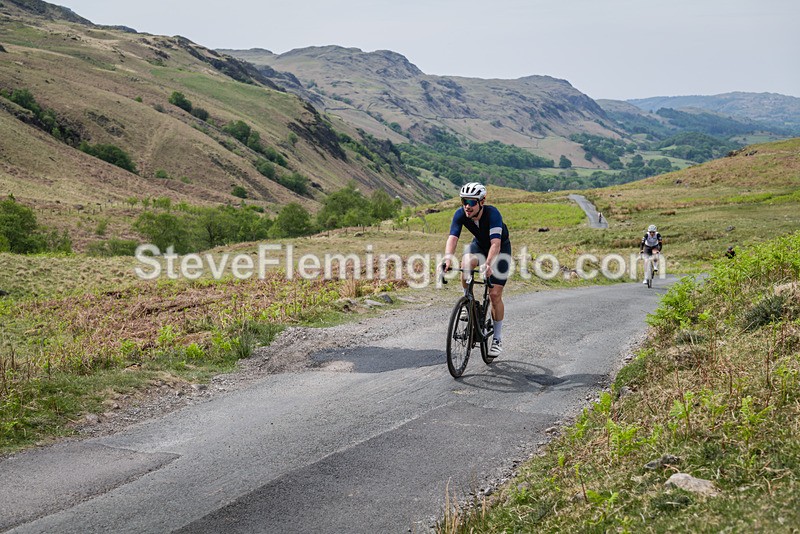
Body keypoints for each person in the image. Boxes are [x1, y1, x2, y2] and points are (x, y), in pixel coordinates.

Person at [441, 182, 511, 358]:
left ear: (482, 202)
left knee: (495, 294)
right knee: (465, 263)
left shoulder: (493, 214)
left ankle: (497, 338)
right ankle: (468, 301)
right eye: (464, 201)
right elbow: (453, 237)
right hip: (479, 246)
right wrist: (448, 257)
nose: (467, 206)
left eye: (472, 202)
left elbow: (495, 244)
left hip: (500, 250)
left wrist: (488, 264)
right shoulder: (461, 214)